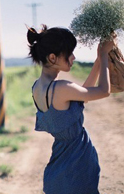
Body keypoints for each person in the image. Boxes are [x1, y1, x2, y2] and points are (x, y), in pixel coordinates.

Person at [27, 25, 115, 194]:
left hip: (60, 167)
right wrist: (104, 55)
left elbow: (84, 96)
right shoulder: (61, 87)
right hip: (76, 165)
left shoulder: (37, 87)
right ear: (53, 57)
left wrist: (98, 61)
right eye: (69, 53)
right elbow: (104, 91)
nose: (74, 57)